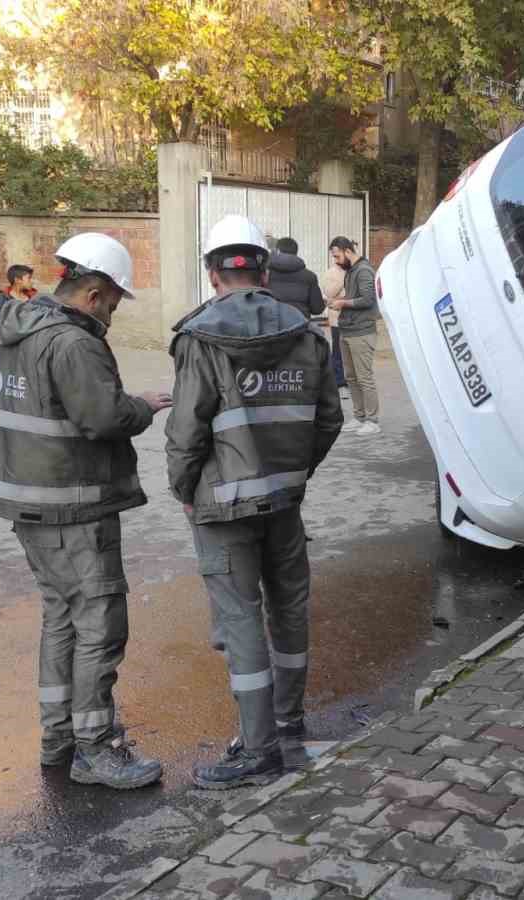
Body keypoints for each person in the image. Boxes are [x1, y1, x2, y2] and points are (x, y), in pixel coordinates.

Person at [0, 232, 173, 789]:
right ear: (93, 293)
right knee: (99, 625)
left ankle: (58, 737)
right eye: (114, 301)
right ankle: (96, 748)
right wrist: (141, 407)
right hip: (74, 506)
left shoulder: (17, 330)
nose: (114, 311)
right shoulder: (73, 342)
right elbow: (101, 419)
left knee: (62, 619)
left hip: (30, 502)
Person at [165, 215, 342, 788]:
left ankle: (259, 750)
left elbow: (186, 432)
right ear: (262, 270)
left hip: (223, 506)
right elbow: (329, 419)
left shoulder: (199, 337)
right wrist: (295, 473)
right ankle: (288, 721)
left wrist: (184, 492)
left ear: (213, 274)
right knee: (288, 610)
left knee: (241, 622)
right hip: (285, 503)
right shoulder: (307, 333)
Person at [327, 237, 379, 435]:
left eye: (337, 256)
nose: (336, 260)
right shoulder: (350, 271)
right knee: (351, 377)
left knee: (364, 377)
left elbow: (367, 299)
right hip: (347, 330)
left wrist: (342, 304)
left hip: (362, 332)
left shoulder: (364, 270)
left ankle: (372, 421)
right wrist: (340, 300)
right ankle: (359, 417)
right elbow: (353, 297)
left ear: (348, 251)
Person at [266, 236, 325, 320]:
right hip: (300, 327)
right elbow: (317, 309)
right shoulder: (310, 276)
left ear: (278, 251)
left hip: (273, 326)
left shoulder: (265, 274)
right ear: (296, 252)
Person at [318, 252, 349, 400]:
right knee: (338, 350)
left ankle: (349, 381)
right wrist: (344, 280)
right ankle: (339, 383)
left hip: (353, 318)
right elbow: (329, 293)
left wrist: (342, 298)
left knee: (350, 351)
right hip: (337, 318)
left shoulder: (354, 269)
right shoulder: (331, 273)